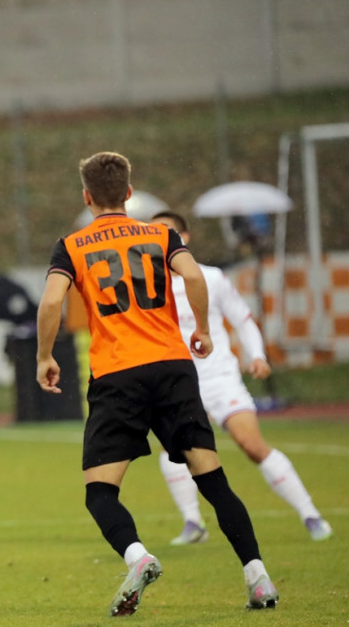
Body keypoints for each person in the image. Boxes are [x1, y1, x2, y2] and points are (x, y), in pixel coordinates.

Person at [36, 151, 278, 615]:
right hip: (172, 368)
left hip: (117, 374)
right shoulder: (161, 234)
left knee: (100, 492)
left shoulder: (72, 245)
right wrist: (203, 329)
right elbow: (192, 274)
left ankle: (138, 556)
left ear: (87, 197)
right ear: (128, 193)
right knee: (213, 481)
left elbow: (50, 303)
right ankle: (258, 577)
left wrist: (45, 356)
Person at [150, 211, 333, 543]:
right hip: (177, 382)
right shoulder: (147, 285)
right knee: (173, 450)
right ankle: (193, 523)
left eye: (166, 233)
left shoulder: (210, 278)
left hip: (219, 377)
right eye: (153, 234)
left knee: (251, 445)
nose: (159, 240)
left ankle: (310, 514)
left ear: (184, 238)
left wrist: (257, 356)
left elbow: (243, 319)